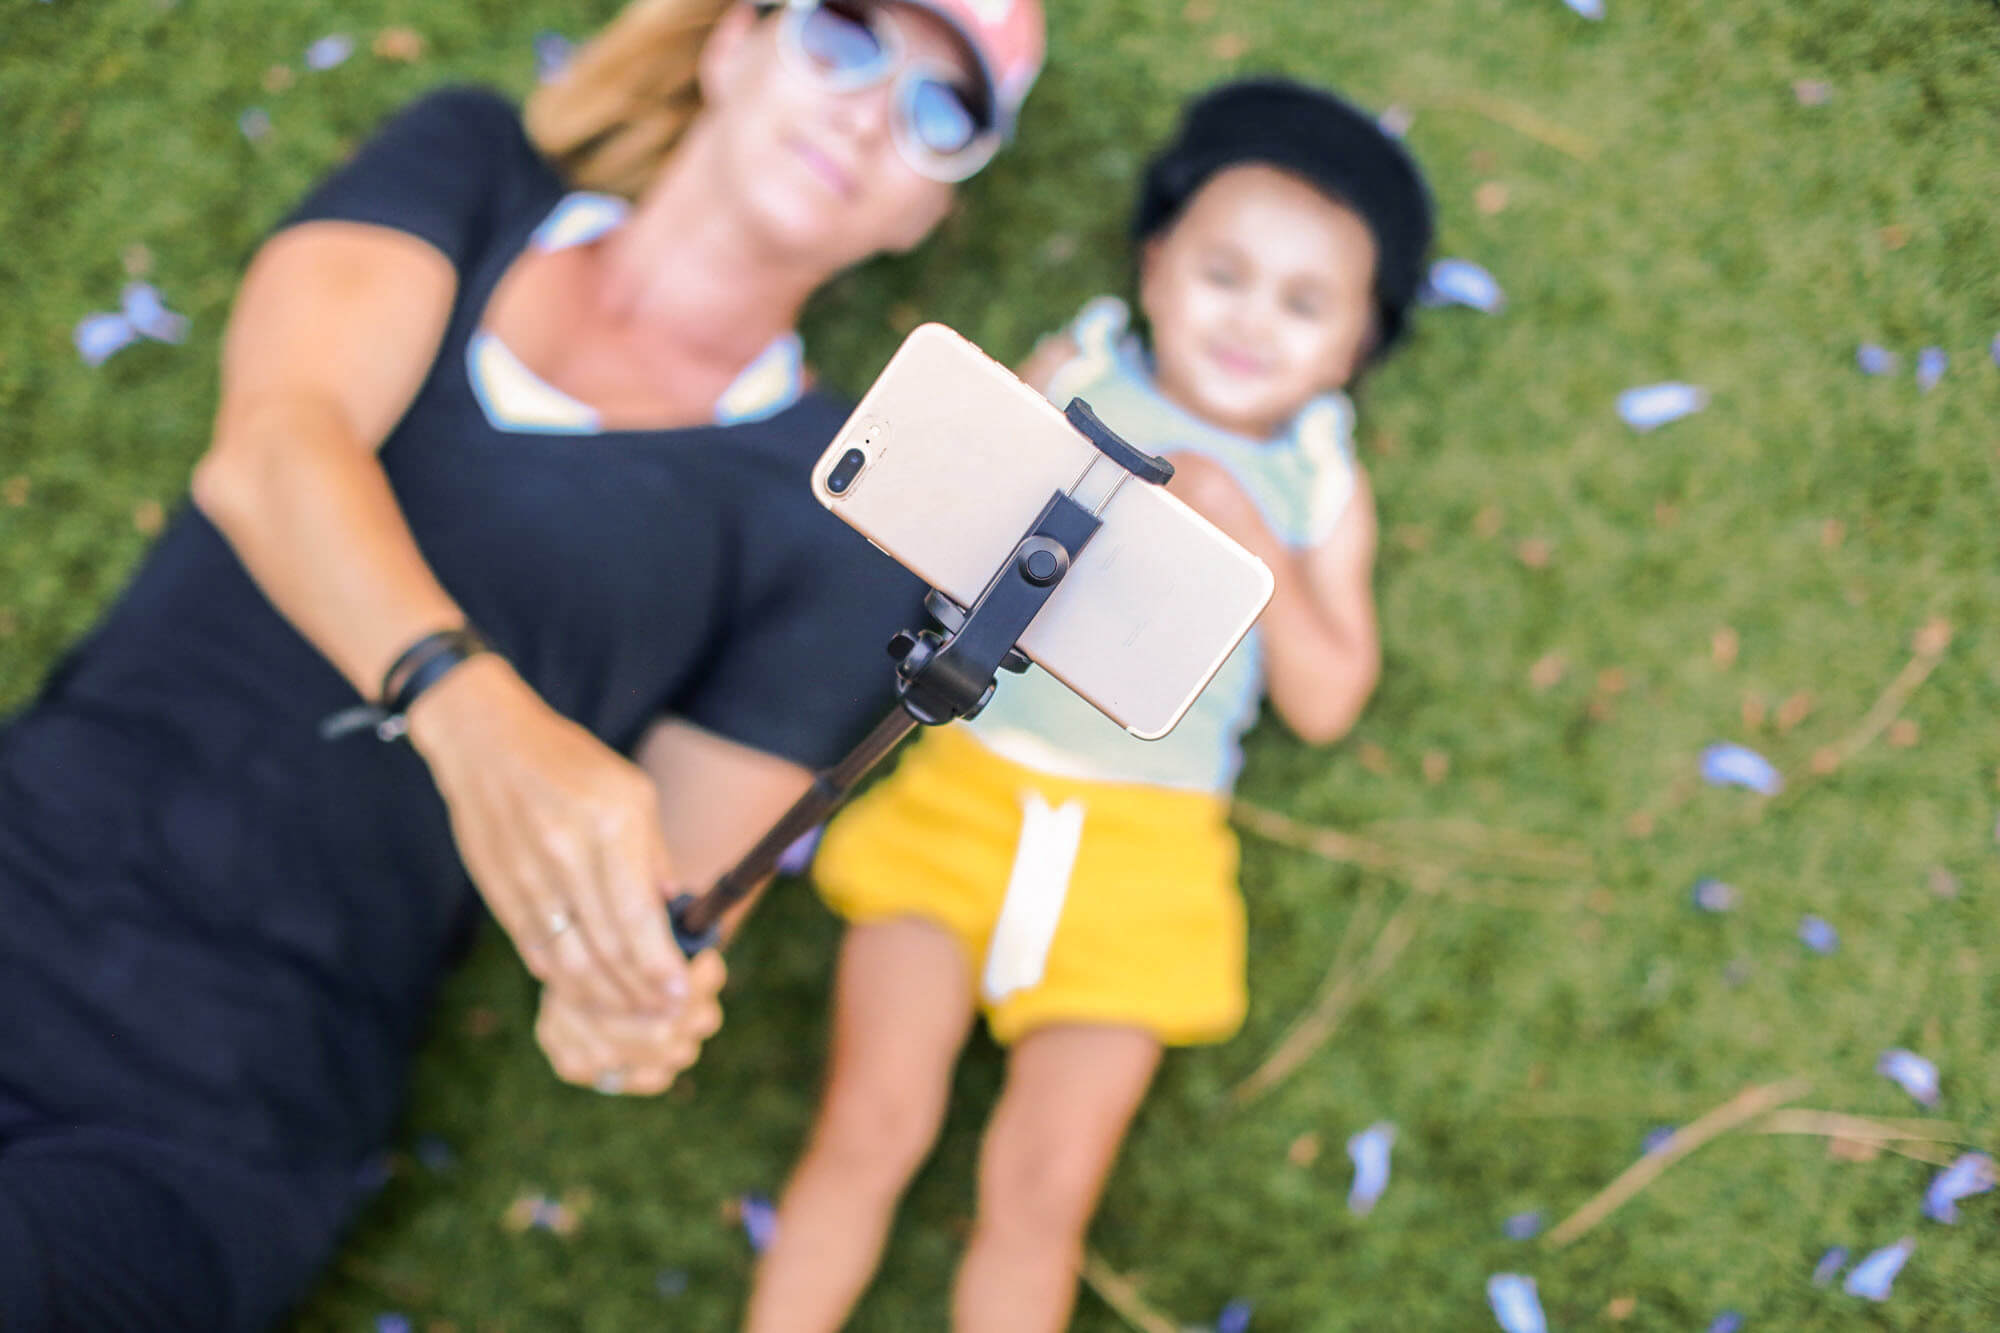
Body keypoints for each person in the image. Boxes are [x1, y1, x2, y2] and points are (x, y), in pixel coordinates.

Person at [0, 0, 1045, 1328]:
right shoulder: (474, 167)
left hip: (219, 1102)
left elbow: (664, 906)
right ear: (732, 42)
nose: (867, 108)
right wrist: (467, 706)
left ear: (925, 214)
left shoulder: (843, 526)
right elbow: (270, 454)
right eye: (845, 32)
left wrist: (623, 995)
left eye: (943, 114)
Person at [744, 76, 1434, 1332]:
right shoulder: (1082, 369)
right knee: (865, 1124)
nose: (1250, 319)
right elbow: (945, 524)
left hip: (1145, 857)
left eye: (1302, 304)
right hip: (965, 790)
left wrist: (1246, 538)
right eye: (1221, 273)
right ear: (1154, 268)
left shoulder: (1316, 480)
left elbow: (1328, 698)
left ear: (1352, 346)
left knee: (1041, 1192)